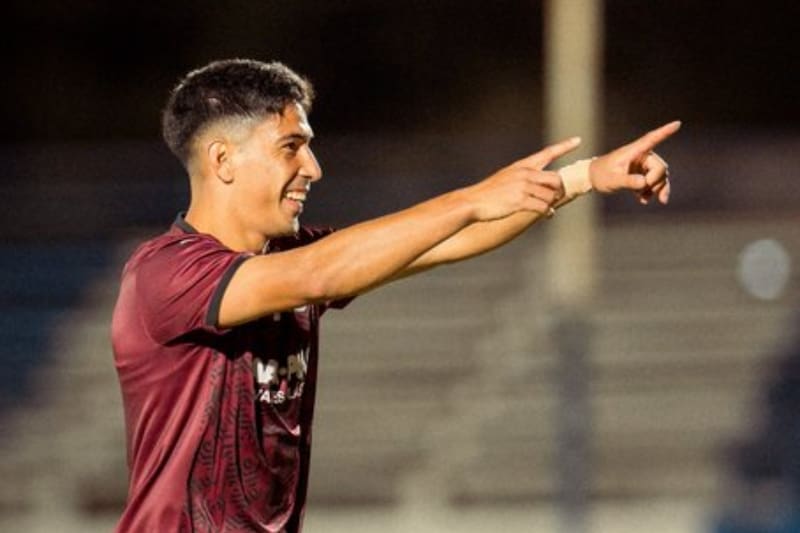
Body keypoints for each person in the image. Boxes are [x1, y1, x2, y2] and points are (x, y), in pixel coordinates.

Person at [111, 58, 680, 532]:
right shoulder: (165, 273)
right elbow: (320, 275)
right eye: (291, 147)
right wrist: (471, 197)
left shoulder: (288, 259)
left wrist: (584, 178)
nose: (313, 167)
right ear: (222, 160)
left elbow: (450, 241)